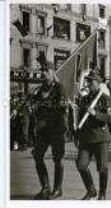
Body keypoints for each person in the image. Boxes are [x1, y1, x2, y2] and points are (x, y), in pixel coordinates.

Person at [31, 62, 68, 199]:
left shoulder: (59, 88)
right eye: (43, 70)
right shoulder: (41, 89)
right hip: (43, 131)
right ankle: (45, 187)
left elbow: (62, 109)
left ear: (53, 72)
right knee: (37, 155)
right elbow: (36, 105)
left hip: (56, 129)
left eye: (47, 70)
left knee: (57, 159)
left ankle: (58, 189)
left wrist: (46, 121)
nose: (44, 73)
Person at [75, 73, 111, 200]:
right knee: (81, 165)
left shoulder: (105, 98)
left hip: (100, 137)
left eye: (91, 82)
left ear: (97, 82)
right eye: (88, 81)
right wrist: (77, 135)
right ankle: (91, 189)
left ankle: (102, 193)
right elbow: (80, 117)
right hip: (86, 137)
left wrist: (95, 113)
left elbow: (109, 118)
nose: (88, 84)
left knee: (102, 167)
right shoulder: (84, 99)